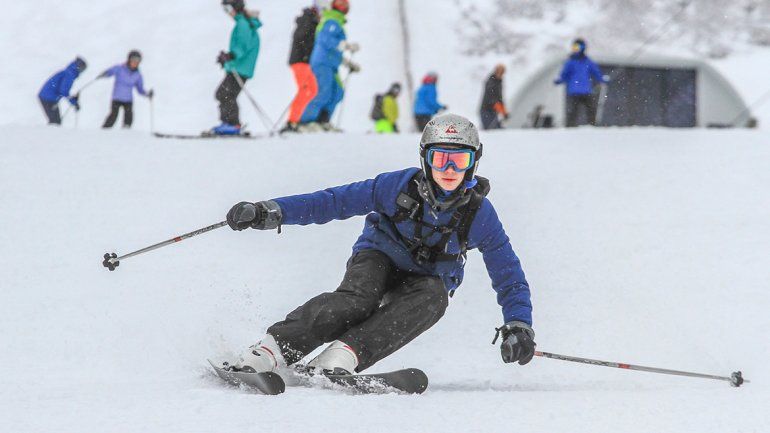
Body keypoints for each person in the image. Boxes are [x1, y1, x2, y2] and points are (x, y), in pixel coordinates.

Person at [223, 113, 535, 376]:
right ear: (425, 158)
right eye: (440, 159)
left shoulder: (479, 213)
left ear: (473, 162)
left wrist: (518, 323)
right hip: (378, 256)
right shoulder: (397, 187)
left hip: (424, 280)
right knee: (358, 300)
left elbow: (508, 273)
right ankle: (271, 350)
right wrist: (271, 210)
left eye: (459, 160)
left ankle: (341, 357)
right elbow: (333, 201)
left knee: (434, 299)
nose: (449, 170)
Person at [299, 0, 360, 132]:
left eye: (346, 4)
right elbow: (324, 39)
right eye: (341, 3)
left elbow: (333, 48)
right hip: (322, 63)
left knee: (338, 92)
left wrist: (347, 63)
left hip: (332, 64)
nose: (345, 6)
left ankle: (323, 120)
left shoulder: (337, 20)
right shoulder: (331, 19)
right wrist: (344, 45)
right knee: (323, 91)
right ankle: (306, 121)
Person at [211, 0, 262, 135]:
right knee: (225, 94)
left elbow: (242, 46)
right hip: (241, 67)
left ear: (235, 8)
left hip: (240, 68)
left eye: (227, 9)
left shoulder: (243, 24)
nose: (228, 13)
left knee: (225, 94)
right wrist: (227, 58)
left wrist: (230, 56)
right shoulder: (244, 23)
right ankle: (229, 123)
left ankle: (232, 124)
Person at [281, 4, 322, 133]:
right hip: (300, 61)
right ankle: (292, 122)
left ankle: (297, 120)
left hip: (305, 61)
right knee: (305, 90)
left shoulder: (311, 20)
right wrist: (306, 53)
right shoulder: (307, 19)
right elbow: (301, 37)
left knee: (313, 90)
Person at [554, 38, 608, 127]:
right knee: (572, 111)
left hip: (586, 91)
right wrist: (559, 80)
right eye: (574, 47)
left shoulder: (588, 62)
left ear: (583, 48)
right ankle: (570, 128)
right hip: (574, 91)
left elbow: (596, 72)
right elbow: (564, 75)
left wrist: (602, 79)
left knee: (591, 110)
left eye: (577, 47)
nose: (575, 50)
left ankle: (593, 127)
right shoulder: (570, 62)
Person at [100, 50, 153, 129]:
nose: (135, 63)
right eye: (133, 60)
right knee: (113, 116)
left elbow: (140, 89)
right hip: (117, 98)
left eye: (138, 61)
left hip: (128, 100)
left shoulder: (137, 75)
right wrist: (105, 74)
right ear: (129, 59)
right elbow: (110, 71)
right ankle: (104, 131)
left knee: (129, 117)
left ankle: (126, 133)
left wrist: (147, 94)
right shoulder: (120, 68)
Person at [38, 57, 87, 125]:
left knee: (55, 121)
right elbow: (63, 91)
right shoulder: (69, 75)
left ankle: (49, 134)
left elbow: (62, 90)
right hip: (48, 98)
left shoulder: (68, 72)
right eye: (83, 69)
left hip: (48, 97)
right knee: (55, 122)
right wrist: (74, 102)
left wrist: (72, 99)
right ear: (79, 67)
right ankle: (48, 134)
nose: (82, 71)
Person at [479, 64, 508, 130]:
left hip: (493, 112)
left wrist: (504, 112)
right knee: (490, 131)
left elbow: (499, 99)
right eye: (500, 72)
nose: (501, 74)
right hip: (486, 111)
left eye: (502, 73)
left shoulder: (499, 82)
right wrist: (502, 110)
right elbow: (491, 98)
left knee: (497, 131)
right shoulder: (491, 82)